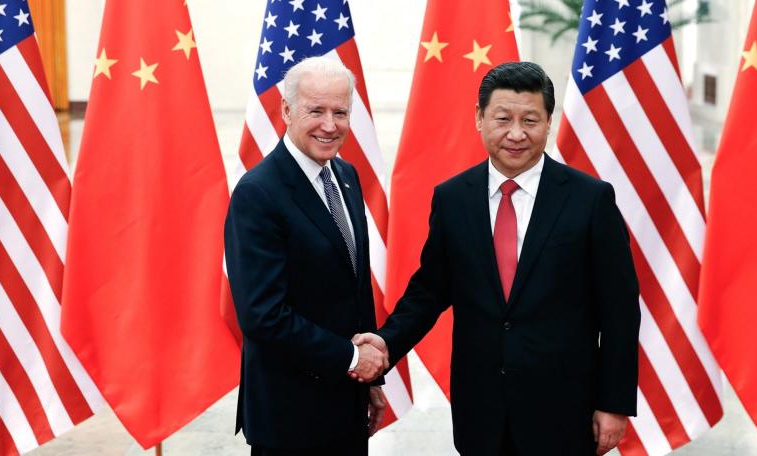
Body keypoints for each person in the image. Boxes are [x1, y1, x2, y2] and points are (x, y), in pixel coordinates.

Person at [355, 62, 640, 455]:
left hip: (564, 410)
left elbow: (620, 311)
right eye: (503, 118)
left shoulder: (590, 200)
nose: (517, 134)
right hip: (481, 410)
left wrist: (613, 403)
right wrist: (384, 344)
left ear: (548, 122)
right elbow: (429, 292)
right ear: (479, 117)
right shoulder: (453, 198)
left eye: (530, 120)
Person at [226, 57, 388, 456]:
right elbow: (262, 314)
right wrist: (354, 359)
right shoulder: (258, 193)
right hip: (290, 417)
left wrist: (369, 382)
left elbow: (354, 285)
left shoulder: (346, 176)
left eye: (340, 112)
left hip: (346, 404)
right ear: (285, 110)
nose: (329, 125)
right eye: (315, 110)